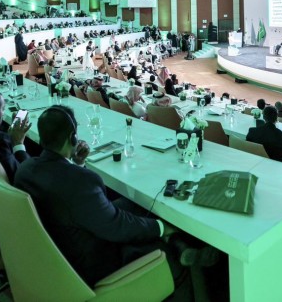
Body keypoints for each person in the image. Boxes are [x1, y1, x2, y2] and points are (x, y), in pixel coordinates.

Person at [12, 106, 169, 285]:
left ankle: (176, 241)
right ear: (73, 137)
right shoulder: (82, 182)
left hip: (55, 248)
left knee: (133, 205)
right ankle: (174, 243)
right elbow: (116, 226)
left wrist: (77, 164)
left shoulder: (25, 169)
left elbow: (66, 191)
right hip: (88, 266)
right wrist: (160, 227)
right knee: (149, 233)